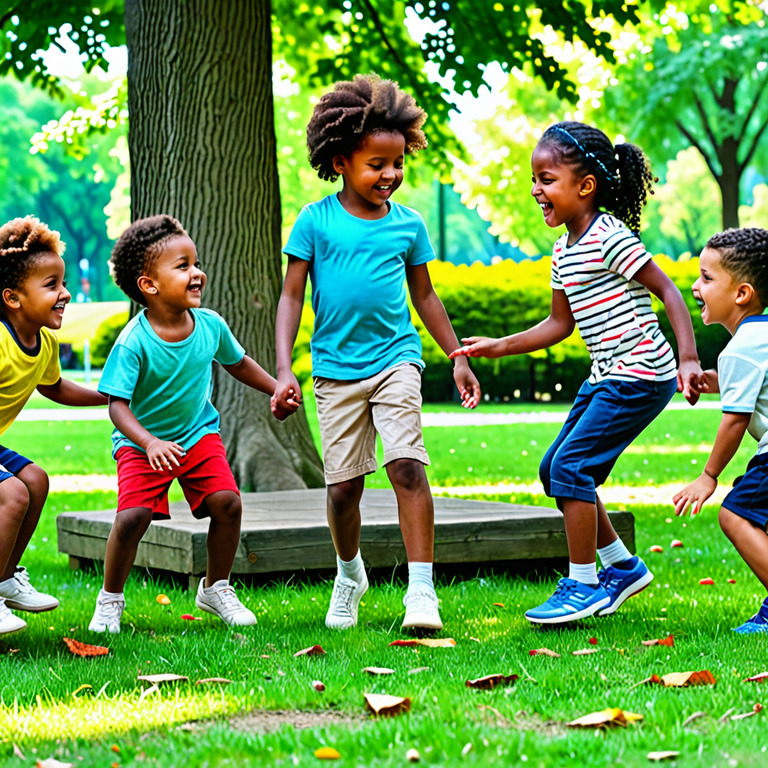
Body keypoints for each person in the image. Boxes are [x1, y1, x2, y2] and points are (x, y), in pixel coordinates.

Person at [451, 121, 701, 625]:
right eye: (534, 180)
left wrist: (689, 359)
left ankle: (583, 584)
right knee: (555, 470)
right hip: (606, 374)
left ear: (585, 186)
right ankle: (621, 568)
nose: (535, 190)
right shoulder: (564, 249)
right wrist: (502, 346)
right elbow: (560, 322)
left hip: (640, 374)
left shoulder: (609, 234)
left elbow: (669, 291)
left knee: (572, 469)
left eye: (546, 179)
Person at [272, 74, 481, 632]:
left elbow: (426, 295)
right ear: (340, 160)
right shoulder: (315, 221)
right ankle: (348, 573)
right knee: (344, 488)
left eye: (398, 164)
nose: (390, 175)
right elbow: (292, 295)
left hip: (397, 359)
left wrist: (457, 354)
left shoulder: (408, 225)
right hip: (336, 370)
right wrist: (282, 368)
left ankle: (421, 591)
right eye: (377, 164)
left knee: (407, 465)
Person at [89, 214, 294, 634]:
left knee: (227, 503)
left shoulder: (210, 326)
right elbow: (116, 407)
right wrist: (148, 443)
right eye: (182, 266)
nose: (197, 272)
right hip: (140, 441)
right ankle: (110, 598)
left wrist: (276, 388)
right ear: (149, 284)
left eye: (195, 262)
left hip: (197, 433)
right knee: (133, 517)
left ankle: (216, 587)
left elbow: (238, 364)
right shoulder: (134, 340)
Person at [0, 215, 108, 635]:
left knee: (36, 481)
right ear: (12, 298)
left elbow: (55, 387)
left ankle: (6, 577)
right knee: (11, 494)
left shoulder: (43, 341)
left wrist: (110, 396)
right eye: (51, 286)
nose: (64, 294)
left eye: (62, 283)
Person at [673, 228, 768, 633]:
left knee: (735, 515)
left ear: (742, 294)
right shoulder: (759, 338)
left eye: (707, 278)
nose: (696, 286)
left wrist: (708, 476)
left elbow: (736, 418)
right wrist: (714, 379)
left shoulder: (743, 347)